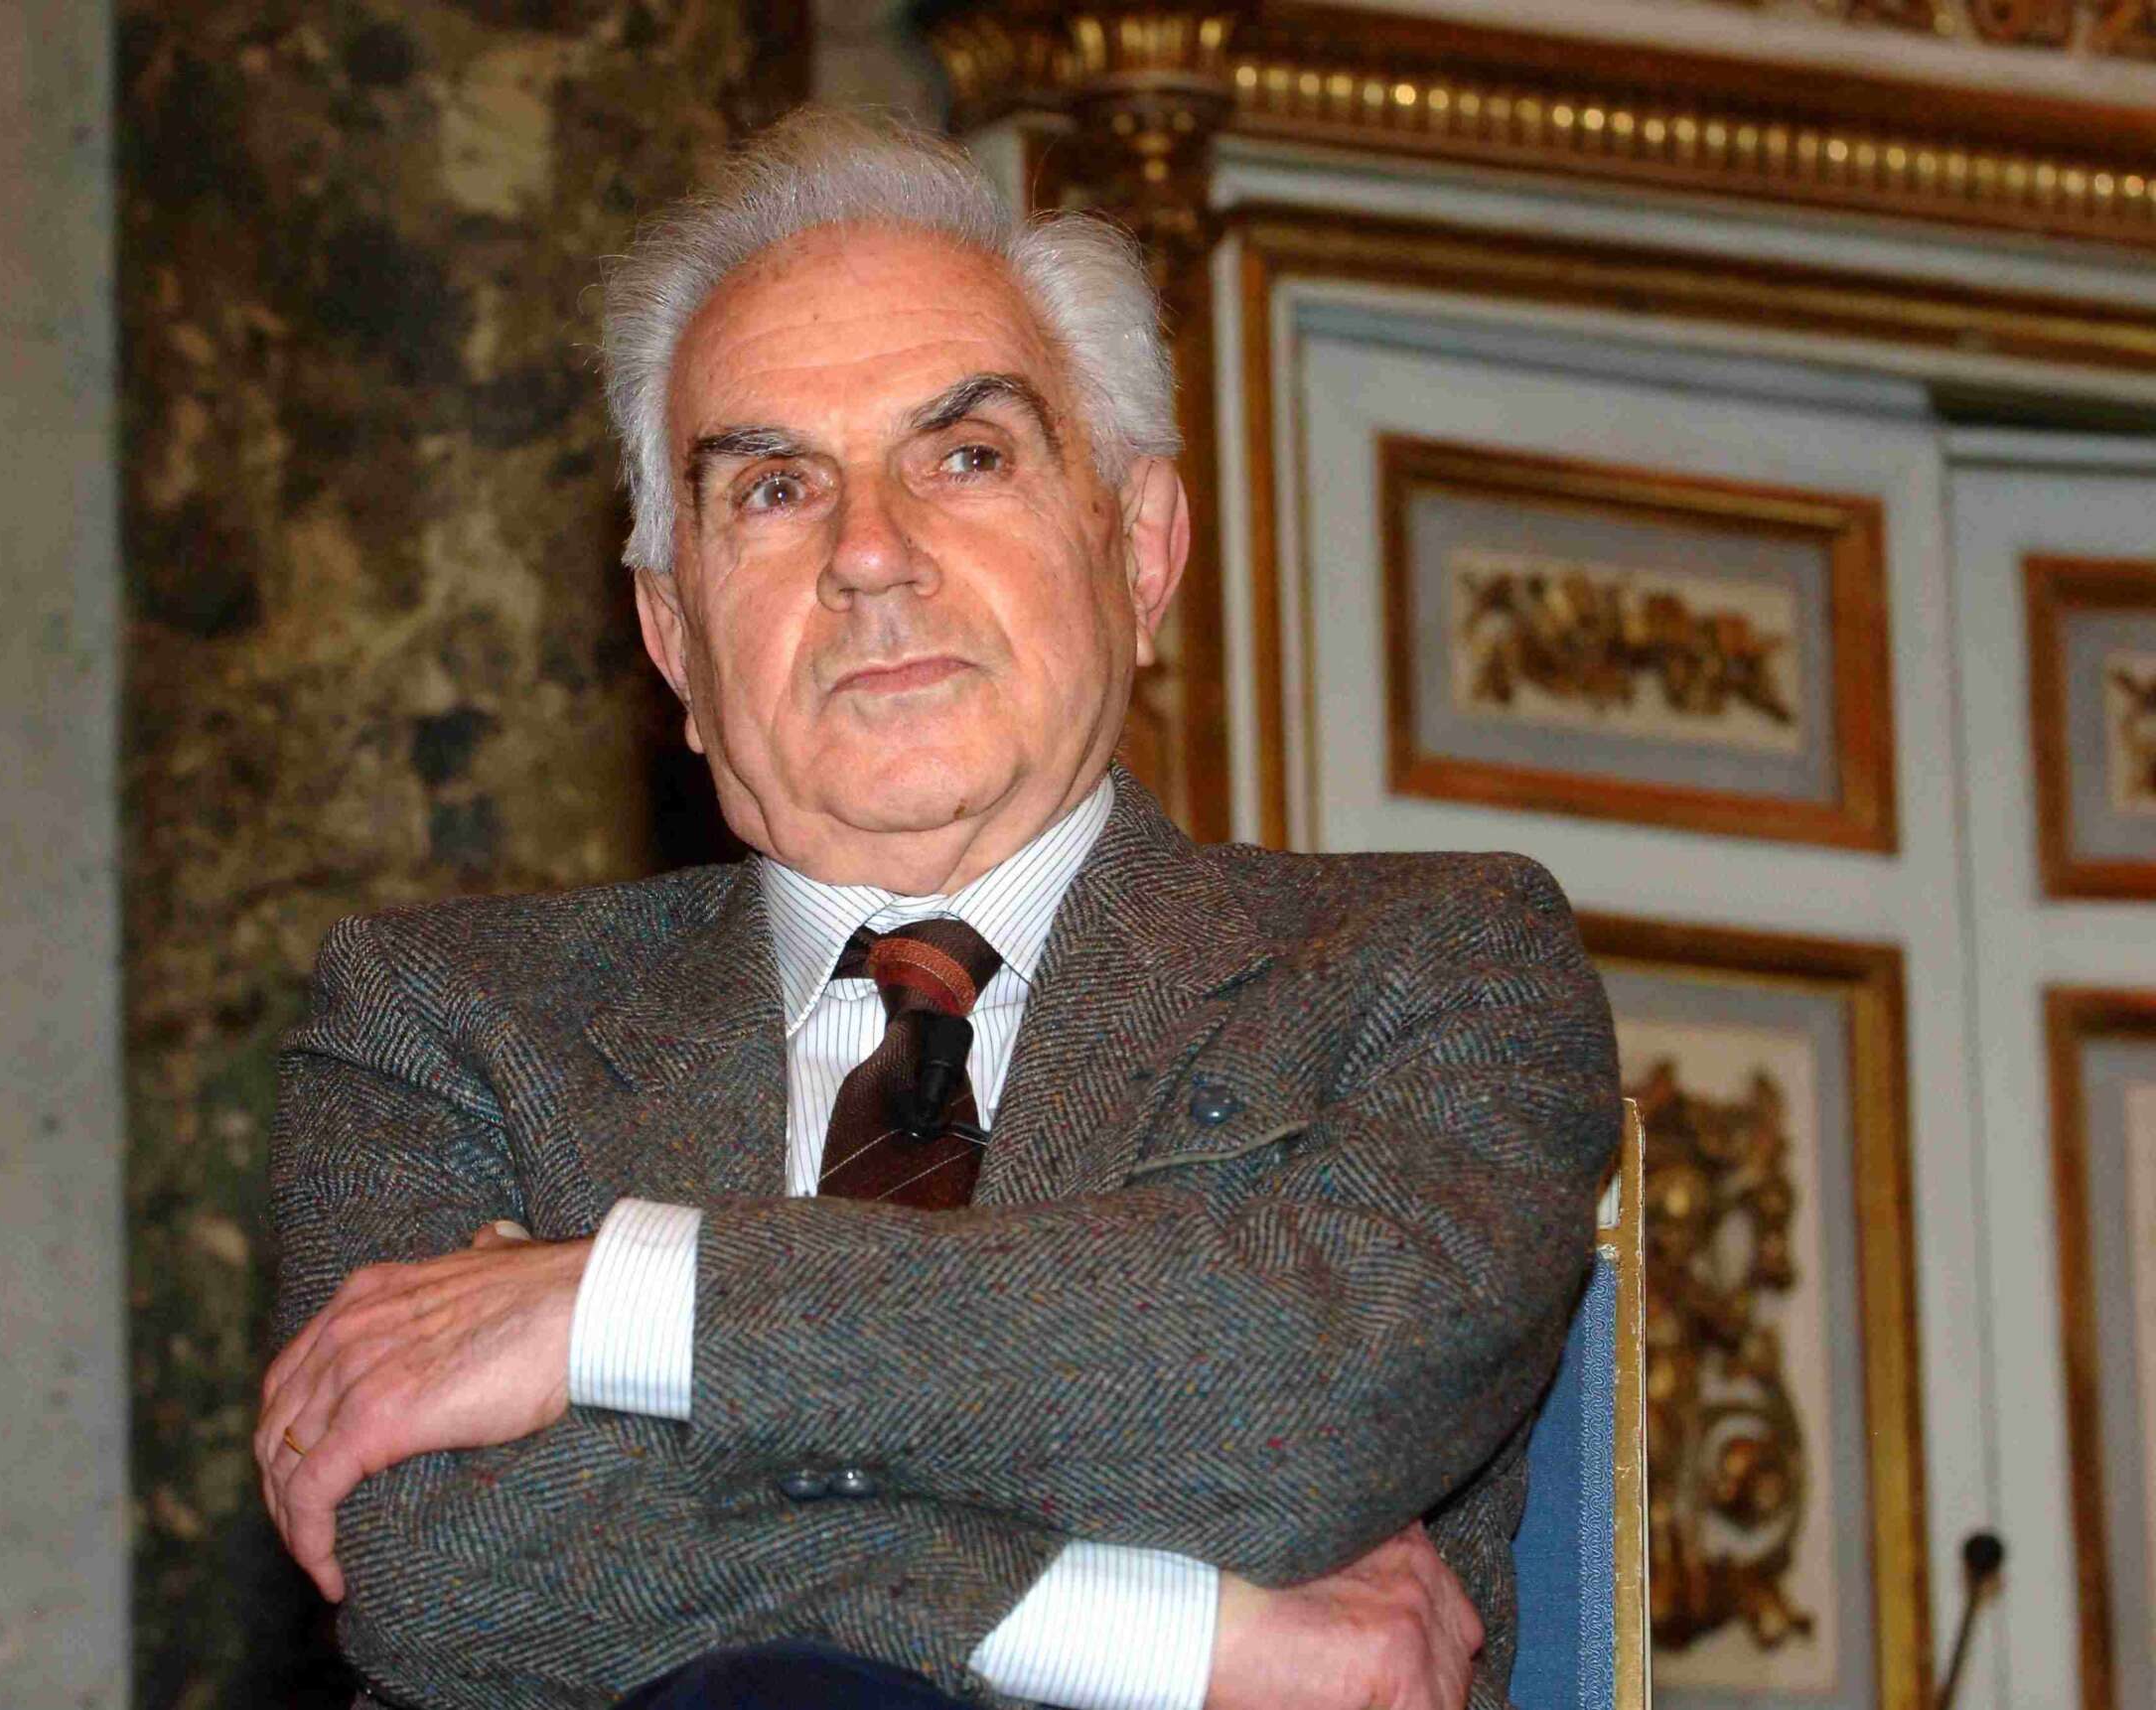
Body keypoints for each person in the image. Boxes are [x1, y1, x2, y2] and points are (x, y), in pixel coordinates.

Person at [255, 109, 1619, 1710]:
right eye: (774, 488)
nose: (871, 556)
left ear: (1140, 550)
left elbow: (1329, 1385)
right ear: (674, 635)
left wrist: (617, 1298)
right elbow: (427, 1553)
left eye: (966, 457)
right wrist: (1178, 1632)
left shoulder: (1435, 963)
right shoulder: (445, 1024)